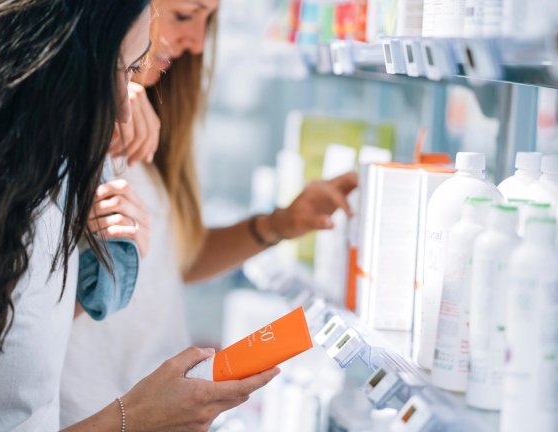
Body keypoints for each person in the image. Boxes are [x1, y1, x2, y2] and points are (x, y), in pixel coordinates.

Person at [0, 1, 276, 431]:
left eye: (135, 72)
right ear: (50, 52)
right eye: (117, 71)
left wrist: (93, 275)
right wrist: (133, 418)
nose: (126, 108)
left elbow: (8, 341)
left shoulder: (37, 175)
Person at [60, 0, 358, 426]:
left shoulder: (149, 122)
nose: (197, 43)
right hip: (92, 412)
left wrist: (277, 225)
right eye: (185, 15)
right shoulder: (70, 126)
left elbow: (172, 260)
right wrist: (104, 93)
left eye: (208, 21)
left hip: (161, 410)